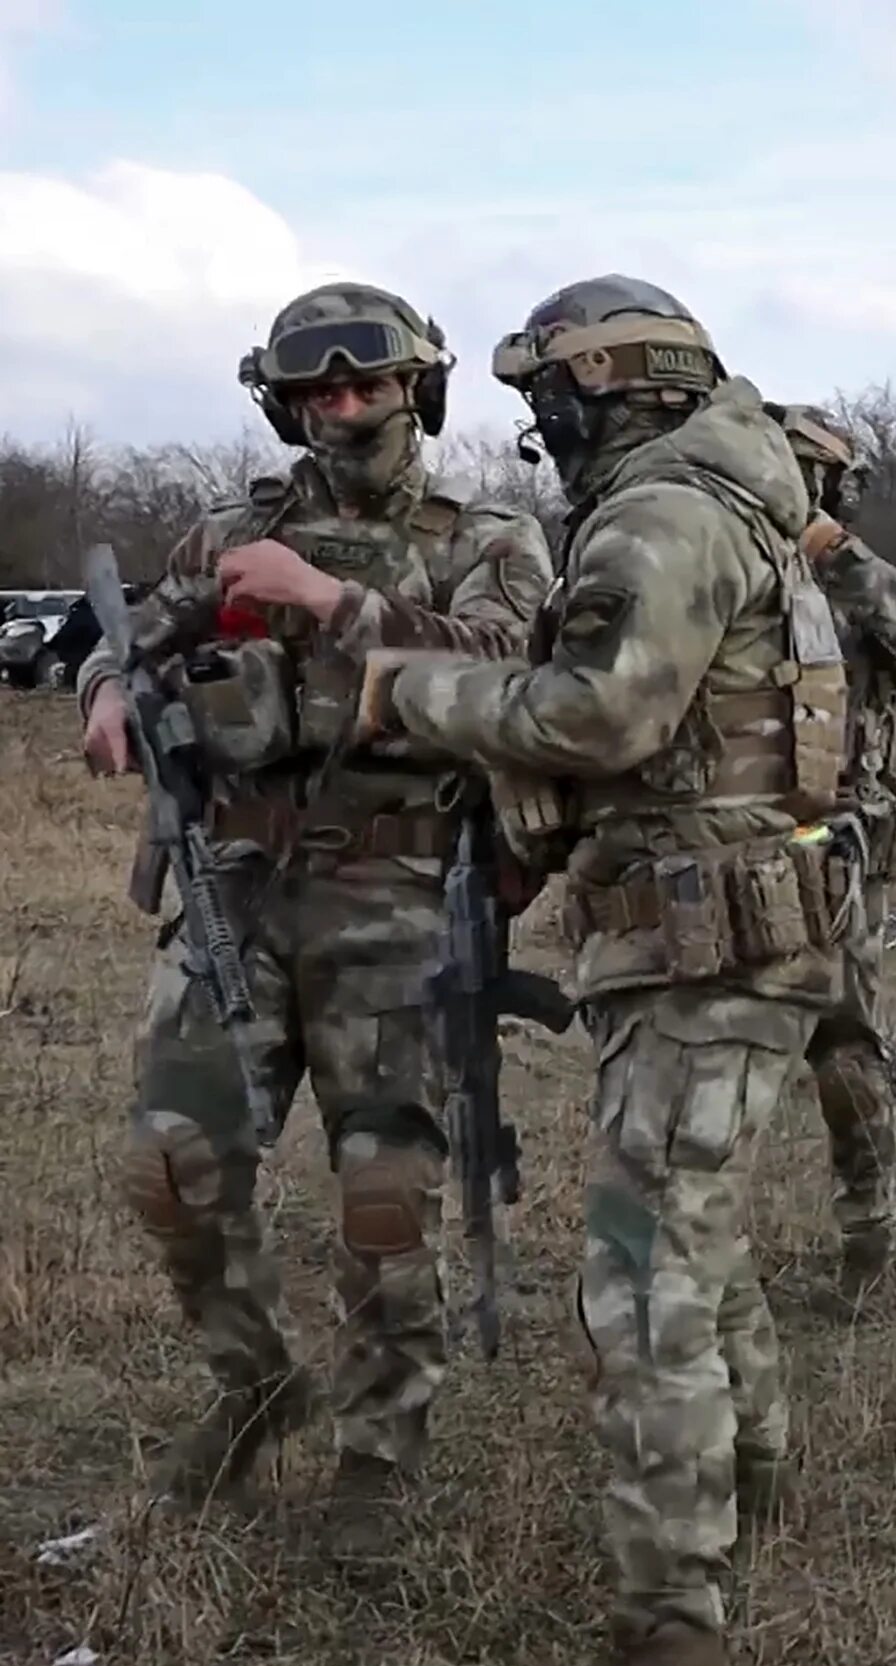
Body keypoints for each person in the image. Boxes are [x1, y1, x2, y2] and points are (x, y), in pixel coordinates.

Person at [355, 275, 851, 1666]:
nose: (536, 434)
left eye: (547, 404)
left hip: (712, 947)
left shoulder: (662, 516)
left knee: (643, 1291)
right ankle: (753, 1487)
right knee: (699, 1244)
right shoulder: (731, 496)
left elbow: (608, 715)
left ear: (606, 392)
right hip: (714, 937)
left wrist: (406, 687)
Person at [74, 283, 549, 1554]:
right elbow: (128, 637)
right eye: (318, 393)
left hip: (398, 901)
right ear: (285, 404)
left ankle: (378, 1460)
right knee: (172, 1164)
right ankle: (258, 1384)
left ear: (417, 390)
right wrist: (111, 690)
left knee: (384, 1192)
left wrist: (333, 604)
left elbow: (509, 678)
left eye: (369, 385)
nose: (345, 409)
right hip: (233, 890)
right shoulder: (234, 527)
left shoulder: (486, 533)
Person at [768, 403, 896, 1309]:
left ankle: (870, 1235)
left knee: (844, 1051)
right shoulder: (705, 563)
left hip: (834, 848)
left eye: (812, 473)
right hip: (724, 841)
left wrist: (835, 554)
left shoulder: (850, 579)